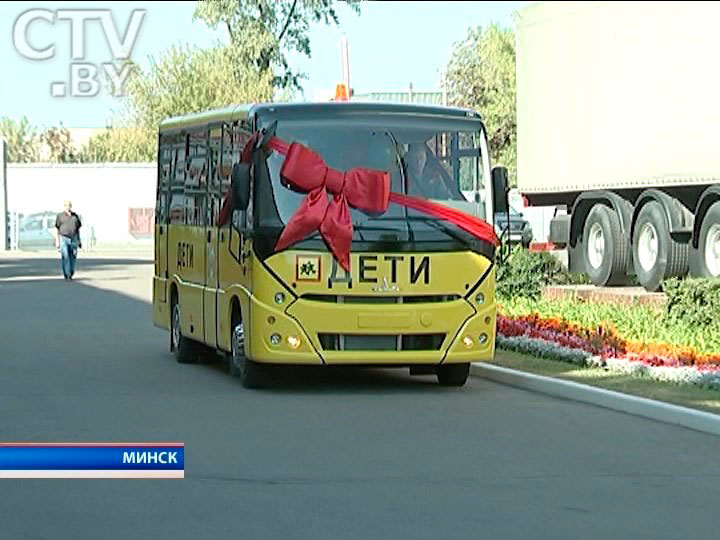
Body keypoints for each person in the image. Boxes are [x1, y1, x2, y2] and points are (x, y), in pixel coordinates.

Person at [54, 200, 82, 280]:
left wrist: (79, 240)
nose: (68, 207)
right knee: (65, 255)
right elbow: (57, 228)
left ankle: (71, 271)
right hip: (63, 238)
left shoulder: (75, 216)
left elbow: (77, 229)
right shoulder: (60, 216)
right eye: (66, 205)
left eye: (69, 205)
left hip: (73, 238)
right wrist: (57, 240)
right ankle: (67, 274)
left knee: (73, 255)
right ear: (64, 206)